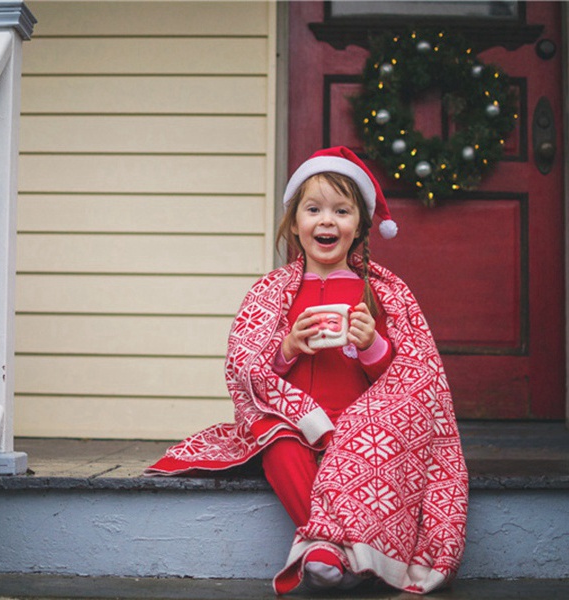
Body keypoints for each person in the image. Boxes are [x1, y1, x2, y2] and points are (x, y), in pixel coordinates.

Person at [145, 146, 468, 595]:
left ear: (359, 227)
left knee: (370, 450)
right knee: (277, 446)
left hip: (361, 425)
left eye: (341, 211)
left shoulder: (381, 293)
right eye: (313, 209)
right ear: (295, 224)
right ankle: (333, 547)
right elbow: (248, 368)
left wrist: (371, 344)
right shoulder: (271, 292)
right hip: (295, 422)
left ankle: (331, 551)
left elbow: (409, 382)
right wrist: (288, 347)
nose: (327, 221)